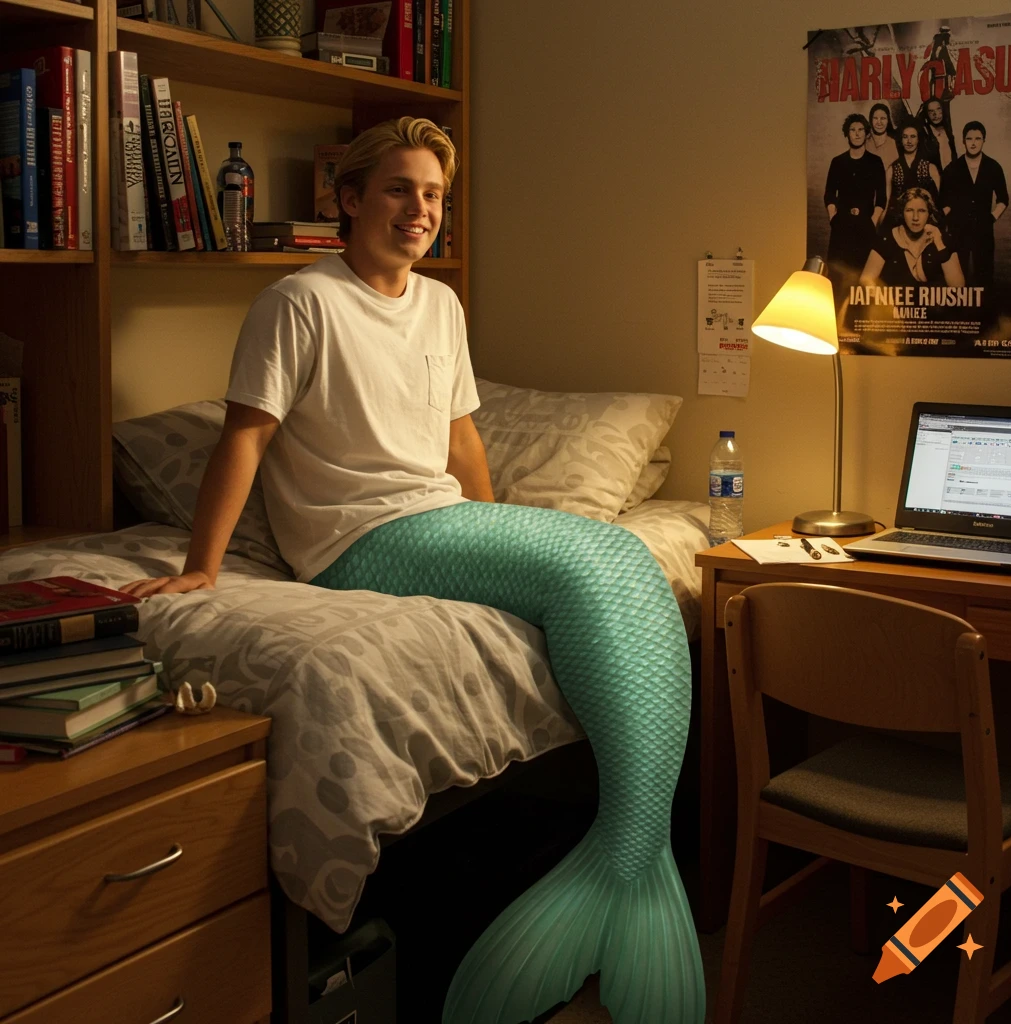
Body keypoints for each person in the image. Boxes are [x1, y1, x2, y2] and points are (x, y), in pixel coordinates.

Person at [120, 117, 704, 1024]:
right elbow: (246, 431)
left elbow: (461, 435)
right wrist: (203, 567)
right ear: (347, 200)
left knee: (614, 551)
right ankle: (628, 858)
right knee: (590, 564)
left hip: (439, 517)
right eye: (399, 190)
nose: (420, 210)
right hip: (353, 540)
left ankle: (628, 852)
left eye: (432, 195)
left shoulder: (439, 305)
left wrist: (498, 523)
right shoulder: (299, 302)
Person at [940, 121, 1009, 288]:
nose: (973, 143)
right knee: (957, 275)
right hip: (958, 231)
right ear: (963, 141)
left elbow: (1003, 199)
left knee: (984, 274)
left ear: (984, 140)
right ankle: (958, 312)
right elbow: (943, 201)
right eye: (969, 138)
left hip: (983, 231)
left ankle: (984, 312)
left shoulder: (993, 167)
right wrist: (950, 219)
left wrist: (991, 218)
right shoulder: (952, 168)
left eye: (977, 138)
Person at [824, 113, 886, 293]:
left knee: (863, 280)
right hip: (841, 226)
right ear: (847, 133)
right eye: (853, 130)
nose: (857, 134)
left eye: (860, 130)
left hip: (865, 226)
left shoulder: (875, 162)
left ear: (866, 133)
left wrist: (872, 222)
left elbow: (881, 197)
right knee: (837, 278)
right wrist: (833, 219)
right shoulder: (838, 162)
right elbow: (829, 194)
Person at [861, 186, 964, 287]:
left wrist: (939, 244)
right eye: (909, 210)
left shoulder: (943, 239)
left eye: (922, 211)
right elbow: (865, 283)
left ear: (930, 213)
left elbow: (958, 287)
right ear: (902, 212)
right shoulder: (886, 240)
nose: (915, 217)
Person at [886, 121, 941, 216]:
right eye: (905, 137)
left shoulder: (931, 168)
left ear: (918, 139)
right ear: (901, 140)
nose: (909, 141)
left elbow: (938, 204)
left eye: (913, 136)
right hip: (899, 220)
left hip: (925, 219)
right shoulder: (892, 169)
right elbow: (886, 205)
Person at [918, 97, 957, 172]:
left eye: (938, 109)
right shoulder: (925, 134)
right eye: (931, 111)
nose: (935, 114)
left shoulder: (948, 131)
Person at [865, 102, 899, 171]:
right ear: (871, 120)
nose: (879, 122)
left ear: (888, 120)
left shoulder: (895, 142)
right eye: (875, 118)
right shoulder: (864, 142)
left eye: (883, 118)